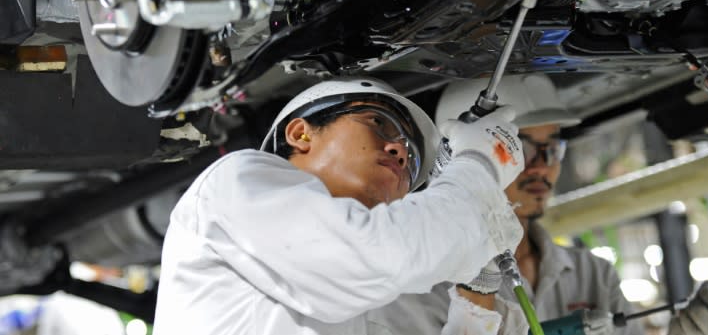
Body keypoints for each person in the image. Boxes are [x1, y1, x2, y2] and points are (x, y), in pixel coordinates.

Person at [153, 77, 531, 335]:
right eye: (378, 123)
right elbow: (386, 253)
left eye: (413, 161)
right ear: (300, 133)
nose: (399, 151)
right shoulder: (238, 181)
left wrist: (477, 287)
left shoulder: (355, 300)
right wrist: (476, 167)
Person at [370, 73, 708, 335]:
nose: (543, 164)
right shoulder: (411, 290)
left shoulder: (591, 275)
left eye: (553, 147)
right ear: (454, 157)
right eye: (521, 147)